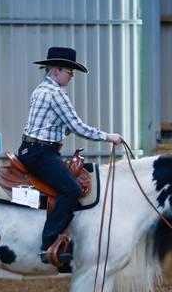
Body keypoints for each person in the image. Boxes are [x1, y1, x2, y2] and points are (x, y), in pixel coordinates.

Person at [17, 46, 124, 268]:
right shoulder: (57, 94)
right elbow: (78, 127)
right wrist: (109, 136)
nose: (71, 76)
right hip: (41, 152)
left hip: (33, 149)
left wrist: (63, 129)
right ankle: (49, 245)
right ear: (56, 70)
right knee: (71, 189)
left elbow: (51, 124)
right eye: (69, 72)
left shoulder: (40, 90)